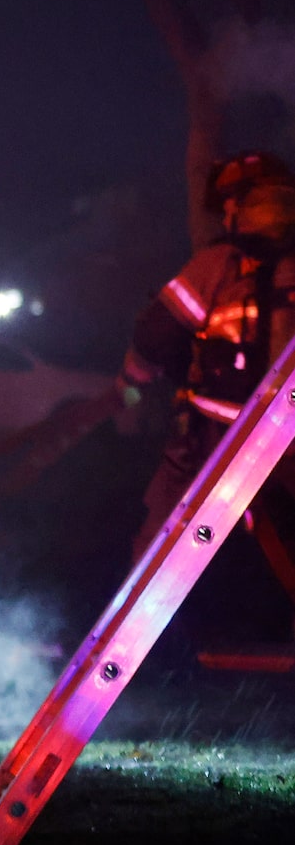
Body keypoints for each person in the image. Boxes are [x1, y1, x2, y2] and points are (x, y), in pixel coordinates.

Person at [121, 150, 295, 630]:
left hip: (215, 442)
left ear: (237, 205)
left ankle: (142, 639)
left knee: (163, 538)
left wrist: (132, 383)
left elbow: (155, 336)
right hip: (289, 445)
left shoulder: (218, 265)